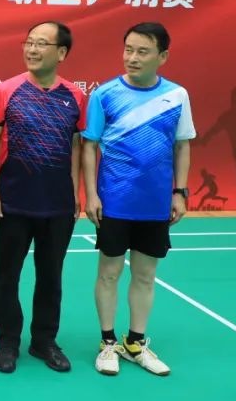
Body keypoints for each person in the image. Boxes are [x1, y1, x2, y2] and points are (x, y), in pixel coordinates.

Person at [82, 22, 194, 377]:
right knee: (109, 273)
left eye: (142, 51)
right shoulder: (104, 95)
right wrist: (91, 194)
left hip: (155, 203)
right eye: (128, 49)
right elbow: (89, 146)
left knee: (146, 275)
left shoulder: (177, 95)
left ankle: (135, 343)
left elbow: (182, 145)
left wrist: (179, 192)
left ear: (162, 56)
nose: (132, 57)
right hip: (114, 201)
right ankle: (107, 343)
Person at [0, 21, 85, 374]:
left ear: (61, 53)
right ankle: (7, 341)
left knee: (51, 275)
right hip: (13, 200)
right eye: (29, 42)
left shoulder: (75, 96)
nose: (32, 49)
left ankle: (44, 340)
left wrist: (76, 190)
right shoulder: (7, 90)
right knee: (7, 274)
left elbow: (77, 145)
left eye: (42, 44)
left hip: (58, 204)